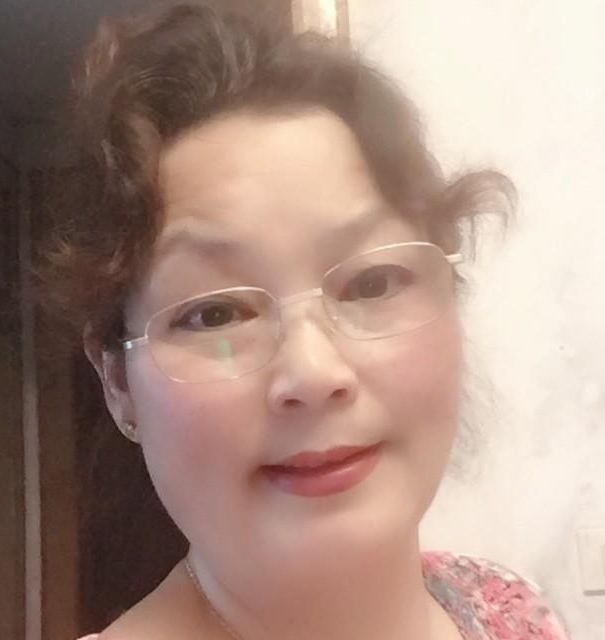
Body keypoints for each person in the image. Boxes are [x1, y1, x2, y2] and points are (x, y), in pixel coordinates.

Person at [38, 1, 570, 639]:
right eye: (215, 314)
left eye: (371, 283)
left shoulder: (511, 609)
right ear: (118, 382)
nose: (315, 373)